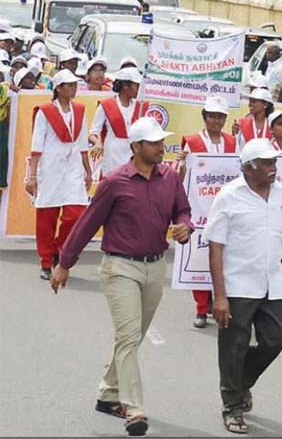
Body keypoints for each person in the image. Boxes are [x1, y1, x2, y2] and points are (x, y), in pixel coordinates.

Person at [51, 117, 192, 437]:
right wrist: (64, 264)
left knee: (134, 337)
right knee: (128, 338)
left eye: (162, 142)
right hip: (120, 268)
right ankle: (133, 407)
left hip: (155, 267)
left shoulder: (170, 177)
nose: (161, 147)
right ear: (136, 147)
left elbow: (183, 211)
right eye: (154, 143)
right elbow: (86, 224)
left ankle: (108, 393)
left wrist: (186, 226)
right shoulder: (114, 182)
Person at [205, 138, 282, 433]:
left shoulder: (280, 192)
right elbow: (215, 246)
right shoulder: (229, 196)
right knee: (234, 346)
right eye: (267, 163)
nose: (274, 168)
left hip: (273, 282)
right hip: (238, 284)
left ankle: (240, 380)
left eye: (275, 162)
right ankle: (232, 406)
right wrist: (220, 296)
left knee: (278, 337)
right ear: (247, 167)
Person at [178, 95, 238, 329]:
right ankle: (201, 308)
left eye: (220, 117)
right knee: (200, 257)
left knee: (224, 257)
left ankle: (218, 300)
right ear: (204, 117)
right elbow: (181, 177)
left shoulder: (233, 142)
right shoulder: (192, 142)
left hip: (225, 208)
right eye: (212, 116)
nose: (216, 121)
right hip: (199, 207)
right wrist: (182, 164)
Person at [26, 69, 92, 280]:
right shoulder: (45, 112)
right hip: (51, 166)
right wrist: (33, 175)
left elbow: (82, 144)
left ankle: (59, 249)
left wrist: (88, 170)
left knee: (76, 214)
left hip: (73, 166)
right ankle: (46, 262)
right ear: (59, 88)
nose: (74, 89)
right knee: (47, 217)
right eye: (70, 85)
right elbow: (36, 146)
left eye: (75, 85)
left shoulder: (80, 110)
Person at [88, 67, 148, 177]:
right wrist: (97, 143)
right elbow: (93, 133)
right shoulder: (106, 105)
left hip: (133, 153)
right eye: (136, 86)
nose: (138, 89)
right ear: (125, 86)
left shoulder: (139, 107)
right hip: (112, 154)